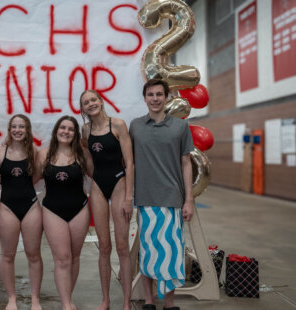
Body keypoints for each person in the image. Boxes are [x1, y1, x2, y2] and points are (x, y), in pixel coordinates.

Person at [129, 78, 195, 310]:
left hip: (172, 199)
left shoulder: (180, 127)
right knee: (147, 252)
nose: (155, 98)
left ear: (167, 97)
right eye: (150, 94)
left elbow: (186, 163)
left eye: (159, 94)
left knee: (171, 253)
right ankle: (148, 302)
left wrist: (189, 199)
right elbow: (131, 164)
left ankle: (169, 303)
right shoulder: (135, 126)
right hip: (145, 199)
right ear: (145, 98)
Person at [79, 90, 134, 310]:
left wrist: (129, 197)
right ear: (82, 108)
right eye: (86, 103)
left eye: (93, 100)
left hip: (120, 184)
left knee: (121, 246)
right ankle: (105, 300)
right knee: (104, 246)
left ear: (101, 102)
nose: (90, 104)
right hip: (98, 186)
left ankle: (127, 301)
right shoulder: (85, 129)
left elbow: (129, 163)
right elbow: (90, 161)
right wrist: (93, 182)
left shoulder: (118, 125)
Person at [34, 115, 93, 310]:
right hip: (52, 210)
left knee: (74, 257)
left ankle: (67, 298)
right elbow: (30, 179)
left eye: (70, 129)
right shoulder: (44, 155)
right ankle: (66, 304)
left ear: (75, 134)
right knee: (62, 258)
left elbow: (98, 175)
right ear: (56, 131)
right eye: (63, 128)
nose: (66, 132)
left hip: (79, 209)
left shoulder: (82, 154)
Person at [0, 114, 43, 310]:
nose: (17, 130)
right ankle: (12, 299)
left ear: (27, 130)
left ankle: (35, 300)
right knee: (8, 255)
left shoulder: (34, 151)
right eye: (14, 126)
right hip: (7, 207)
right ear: (9, 129)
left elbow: (36, 177)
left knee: (34, 255)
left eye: (21, 127)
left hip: (30, 205)